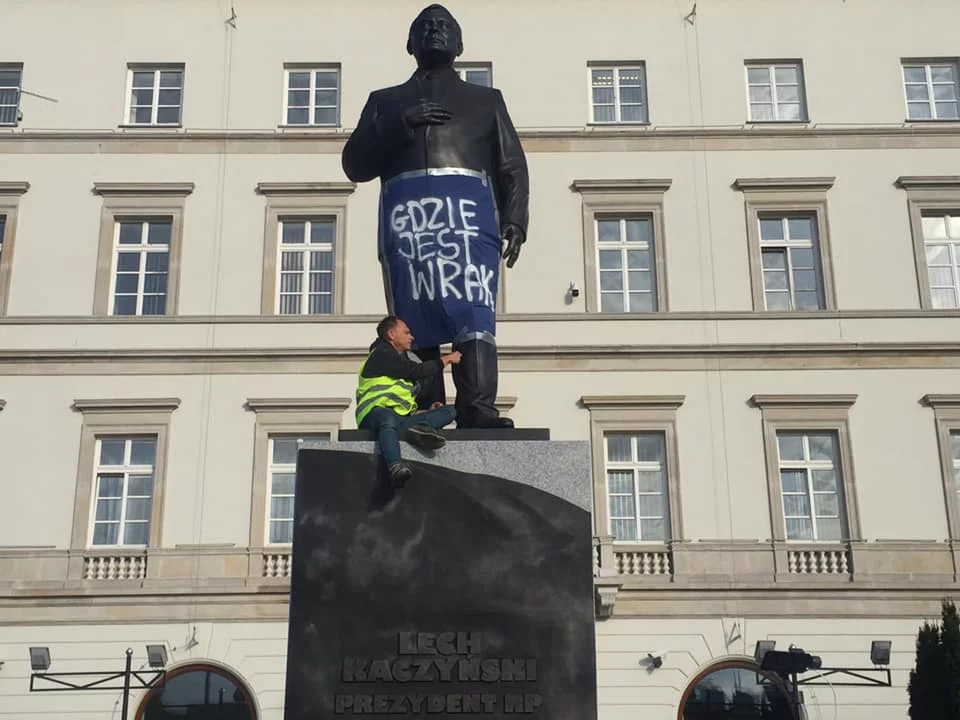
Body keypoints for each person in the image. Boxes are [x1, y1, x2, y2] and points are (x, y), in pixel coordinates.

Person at [341, 3, 529, 430]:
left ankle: (476, 407)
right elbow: (354, 164)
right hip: (408, 228)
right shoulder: (385, 103)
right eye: (426, 26)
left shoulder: (486, 101)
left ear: (461, 44)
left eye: (445, 26)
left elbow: (512, 165)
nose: (435, 30)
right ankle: (426, 410)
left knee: (474, 316)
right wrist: (401, 124)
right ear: (409, 43)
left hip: (468, 224)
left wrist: (515, 220)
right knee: (415, 318)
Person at [356, 315, 461, 486]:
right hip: (373, 415)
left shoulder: (397, 362)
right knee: (387, 418)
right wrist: (446, 359)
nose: (411, 337)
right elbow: (416, 371)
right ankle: (395, 466)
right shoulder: (381, 354)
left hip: (399, 419)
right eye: (407, 332)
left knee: (450, 411)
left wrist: (423, 412)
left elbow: (401, 402)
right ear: (391, 334)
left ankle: (418, 428)